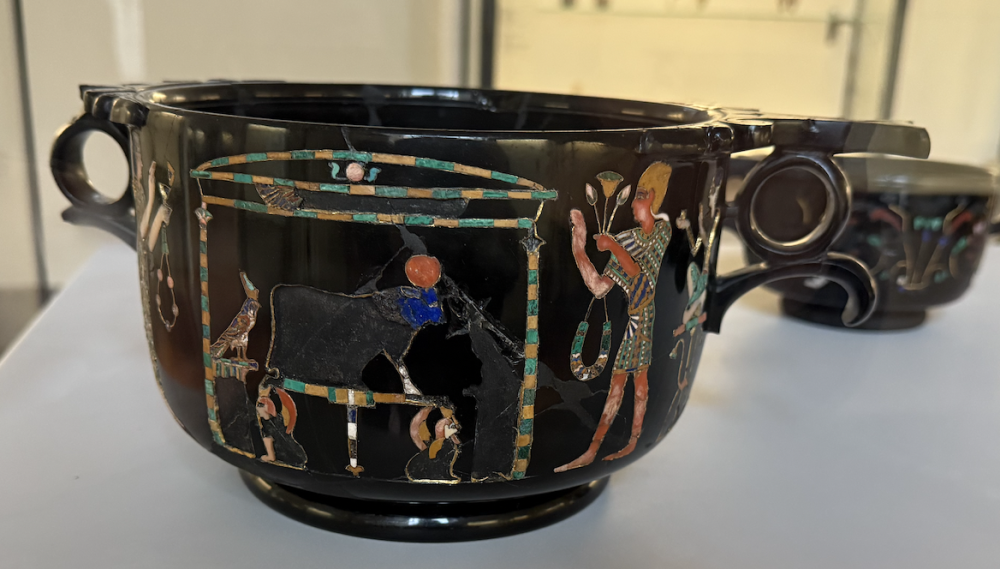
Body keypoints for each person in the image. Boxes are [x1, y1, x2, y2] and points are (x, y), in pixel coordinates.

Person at [555, 162, 673, 472]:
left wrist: (613, 246)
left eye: (641, 195)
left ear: (655, 198)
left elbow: (641, 278)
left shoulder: (662, 231)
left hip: (644, 316)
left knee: (637, 381)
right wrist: (579, 244)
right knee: (621, 383)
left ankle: (629, 442)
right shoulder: (627, 240)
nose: (634, 203)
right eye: (635, 196)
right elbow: (598, 287)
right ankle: (594, 450)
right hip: (634, 318)